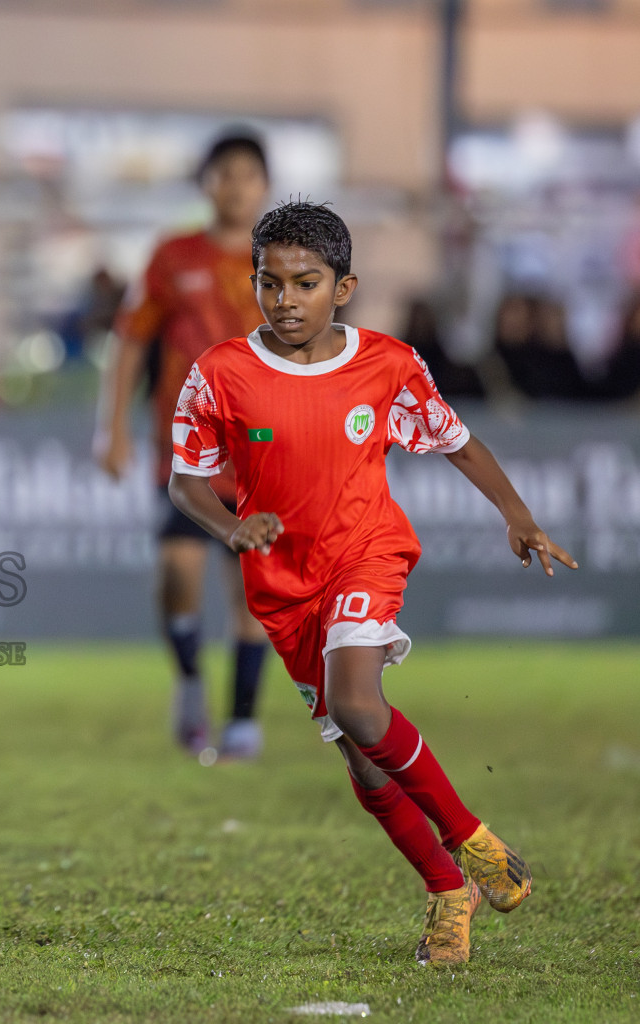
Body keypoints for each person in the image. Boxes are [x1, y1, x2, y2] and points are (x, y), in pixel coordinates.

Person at [167, 201, 575, 966]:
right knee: (358, 754)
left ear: (343, 287)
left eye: (305, 283)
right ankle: (446, 892)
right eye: (270, 283)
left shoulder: (385, 364)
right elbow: (185, 483)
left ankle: (471, 841)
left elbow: (457, 440)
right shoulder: (220, 374)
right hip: (279, 586)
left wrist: (515, 514)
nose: (285, 299)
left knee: (358, 704)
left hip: (364, 556)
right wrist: (230, 530)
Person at [94, 132, 273, 759]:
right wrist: (110, 427)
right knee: (178, 575)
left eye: (248, 175)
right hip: (187, 448)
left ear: (266, 187)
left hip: (262, 451)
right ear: (206, 184)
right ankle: (192, 683)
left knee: (253, 588)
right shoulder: (172, 256)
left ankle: (244, 721)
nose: (236, 185)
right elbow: (131, 338)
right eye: (224, 173)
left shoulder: (284, 263)